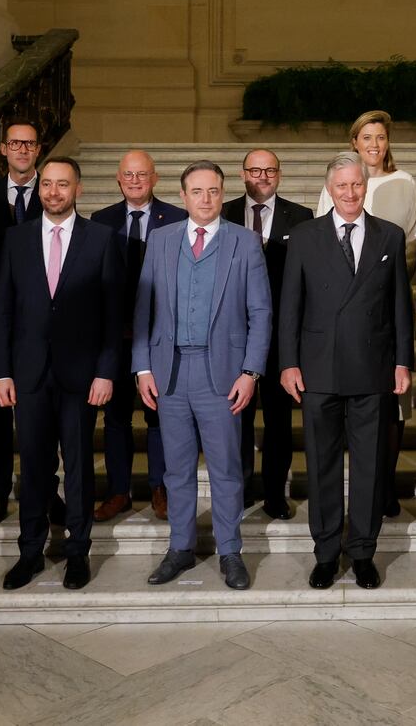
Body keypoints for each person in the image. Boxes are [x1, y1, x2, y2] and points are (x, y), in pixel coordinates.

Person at [131, 161, 272, 591]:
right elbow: (143, 309)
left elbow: (260, 312)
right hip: (169, 373)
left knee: (228, 469)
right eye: (197, 191)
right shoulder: (160, 240)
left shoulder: (244, 243)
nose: (206, 199)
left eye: (213, 191)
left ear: (222, 192)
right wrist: (142, 366)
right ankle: (181, 548)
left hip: (222, 374)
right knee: (176, 470)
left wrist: (251, 372)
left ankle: (230, 551)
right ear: (183, 195)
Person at [279, 153, 413, 591]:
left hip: (372, 370)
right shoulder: (303, 236)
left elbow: (400, 307)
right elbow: (290, 307)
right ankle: (325, 552)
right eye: (342, 186)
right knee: (321, 466)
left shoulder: (389, 236)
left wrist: (402, 361)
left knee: (371, 468)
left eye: (357, 185)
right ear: (329, 190)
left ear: (365, 186)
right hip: (317, 372)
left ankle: (362, 552)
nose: (350, 193)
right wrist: (288, 363)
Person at [0, 158, 123, 591]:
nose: (53, 192)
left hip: (81, 376)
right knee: (33, 467)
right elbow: (3, 312)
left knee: (80, 468)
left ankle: (77, 552)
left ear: (78, 190)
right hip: (28, 374)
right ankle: (30, 552)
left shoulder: (102, 239)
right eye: (46, 184)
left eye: (62, 185)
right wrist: (0, 373)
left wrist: (106, 372)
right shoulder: (16, 238)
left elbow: (111, 316)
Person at [315, 110, 416, 516]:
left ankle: (384, 488)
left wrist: (375, 290)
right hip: (341, 318)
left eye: (380, 137)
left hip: (386, 312)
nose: (374, 145)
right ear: (354, 143)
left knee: (393, 407)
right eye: (366, 138)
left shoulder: (405, 183)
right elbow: (324, 243)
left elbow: (412, 245)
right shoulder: (339, 183)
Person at [90, 150, 187, 522]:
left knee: (159, 414)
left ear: (155, 178)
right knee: (115, 417)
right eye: (128, 175)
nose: (135, 180)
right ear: (118, 178)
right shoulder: (101, 221)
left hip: (161, 335)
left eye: (142, 174)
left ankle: (160, 488)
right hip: (116, 336)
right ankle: (119, 491)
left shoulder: (177, 218)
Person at [223, 148, 313, 520]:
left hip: (279, 335)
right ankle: (241, 488)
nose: (262, 176)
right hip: (230, 334)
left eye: (269, 170)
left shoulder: (302, 217)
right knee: (235, 415)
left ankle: (275, 493)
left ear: (279, 174)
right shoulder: (224, 213)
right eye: (254, 170)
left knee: (278, 419)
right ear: (242, 174)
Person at [0, 120, 45, 531]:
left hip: (40, 322)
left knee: (40, 406)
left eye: (29, 144)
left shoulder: (55, 195)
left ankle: (42, 486)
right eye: (15, 143)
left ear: (38, 149)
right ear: (3, 149)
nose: (22, 150)